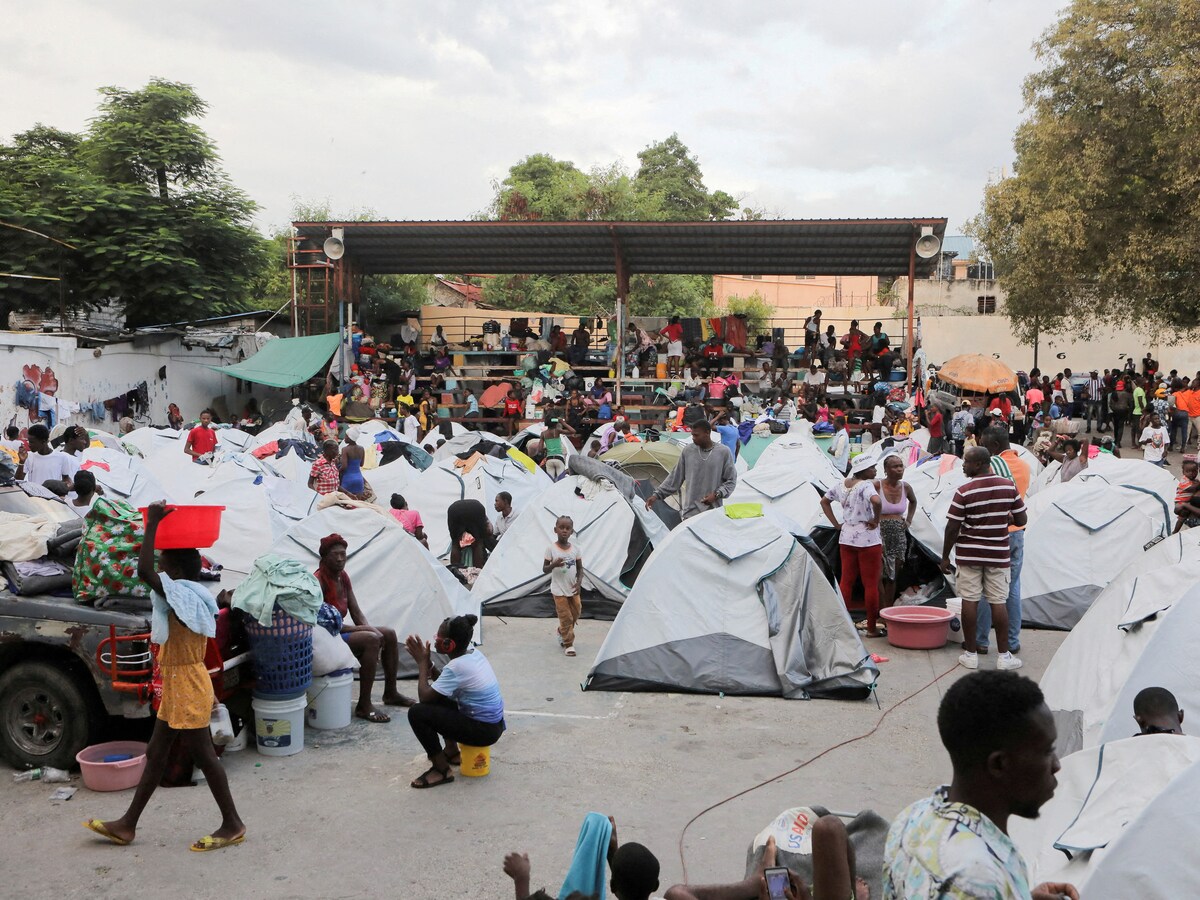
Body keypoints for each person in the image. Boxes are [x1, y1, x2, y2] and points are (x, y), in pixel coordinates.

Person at [83, 502, 245, 852]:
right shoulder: (187, 596)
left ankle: (232, 822)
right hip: (180, 683)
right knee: (157, 753)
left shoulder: (182, 597)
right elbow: (152, 575)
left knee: (203, 754)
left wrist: (152, 525)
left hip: (186, 684)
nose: (160, 571)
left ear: (176, 572)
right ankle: (127, 825)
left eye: (164, 565)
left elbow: (144, 573)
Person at [883, 671, 1078, 900]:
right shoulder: (975, 881)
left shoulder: (913, 817)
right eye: (1047, 751)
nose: (1056, 765)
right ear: (999, 764)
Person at [942, 447, 1028, 671]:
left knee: (969, 601)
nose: (963, 466)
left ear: (979, 463)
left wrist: (944, 557)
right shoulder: (1008, 486)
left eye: (967, 462)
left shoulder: (964, 491)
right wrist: (1004, 517)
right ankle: (1004, 656)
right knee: (998, 602)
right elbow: (1021, 517)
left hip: (969, 554)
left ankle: (971, 654)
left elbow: (952, 527)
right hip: (998, 555)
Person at [315, 533, 412, 723]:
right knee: (371, 639)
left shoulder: (343, 577)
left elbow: (356, 612)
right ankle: (364, 704)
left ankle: (390, 692)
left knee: (389, 634)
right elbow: (328, 625)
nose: (341, 559)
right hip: (329, 637)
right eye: (335, 555)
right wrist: (368, 633)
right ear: (324, 557)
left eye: (343, 554)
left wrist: (368, 628)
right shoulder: (319, 581)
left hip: (340, 632)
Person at [404, 614, 504, 789]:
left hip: (483, 731)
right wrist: (429, 666)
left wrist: (421, 664)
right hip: (492, 726)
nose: (434, 641)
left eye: (438, 638)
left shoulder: (457, 666)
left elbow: (424, 697)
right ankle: (451, 751)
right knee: (439, 697)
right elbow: (442, 684)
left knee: (417, 712)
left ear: (448, 645)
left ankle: (441, 770)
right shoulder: (473, 654)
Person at [974, 427, 1031, 657]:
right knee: (1012, 588)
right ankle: (1012, 641)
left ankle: (981, 640)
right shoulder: (1025, 467)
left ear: (995, 447)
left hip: (995, 533)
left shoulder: (993, 468)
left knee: (988, 588)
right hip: (1017, 532)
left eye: (986, 447)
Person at [821, 455, 884, 637]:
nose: (875, 471)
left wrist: (836, 524)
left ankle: (843, 627)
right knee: (870, 584)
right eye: (872, 468)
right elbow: (877, 501)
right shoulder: (866, 485)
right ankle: (871, 628)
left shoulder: (842, 484)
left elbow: (824, 501)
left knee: (846, 581)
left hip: (846, 537)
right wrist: (876, 519)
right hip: (867, 538)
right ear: (863, 470)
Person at [646, 421, 737, 520]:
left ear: (707, 433)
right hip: (690, 514)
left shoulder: (723, 452)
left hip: (713, 514)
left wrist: (717, 494)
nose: (693, 438)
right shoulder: (688, 451)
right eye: (692, 435)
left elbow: (731, 481)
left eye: (696, 435)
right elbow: (675, 478)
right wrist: (656, 495)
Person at [876, 454, 916, 611]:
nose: (899, 469)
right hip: (879, 532)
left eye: (901, 466)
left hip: (898, 534)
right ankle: (880, 610)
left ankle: (888, 609)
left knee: (893, 574)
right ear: (886, 469)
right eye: (895, 466)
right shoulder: (877, 486)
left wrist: (909, 520)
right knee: (880, 575)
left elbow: (913, 501)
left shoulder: (905, 487)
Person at [544, 515, 583, 657]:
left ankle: (562, 631)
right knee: (566, 617)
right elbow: (545, 569)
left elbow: (580, 569)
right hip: (558, 590)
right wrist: (554, 564)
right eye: (561, 528)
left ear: (572, 532)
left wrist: (579, 583)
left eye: (568, 528)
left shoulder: (575, 549)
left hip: (573, 588)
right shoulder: (551, 549)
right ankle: (568, 643)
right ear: (555, 530)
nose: (564, 531)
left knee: (576, 612)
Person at [15, 423, 75, 494]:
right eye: (28, 441)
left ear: (43, 441)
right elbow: (18, 480)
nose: (29, 444)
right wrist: (21, 462)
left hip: (52, 500)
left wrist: (66, 487)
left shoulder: (62, 457)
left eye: (32, 442)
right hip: (35, 500)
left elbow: (66, 479)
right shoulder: (28, 456)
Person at [338, 427, 369, 499]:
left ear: (349, 437)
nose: (344, 438)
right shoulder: (361, 448)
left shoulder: (345, 449)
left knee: (346, 503)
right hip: (359, 479)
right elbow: (361, 464)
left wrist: (337, 471)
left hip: (347, 479)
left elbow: (344, 466)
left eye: (346, 436)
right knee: (357, 504)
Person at [1174, 458, 1200, 531]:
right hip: (1180, 501)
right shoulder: (1185, 480)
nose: (1191, 473)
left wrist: (1185, 505)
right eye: (1188, 471)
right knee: (1181, 516)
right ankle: (1175, 531)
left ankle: (1175, 531)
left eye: (1194, 471)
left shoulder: (1195, 481)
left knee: (1182, 517)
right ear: (1183, 472)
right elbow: (1188, 489)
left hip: (1185, 503)